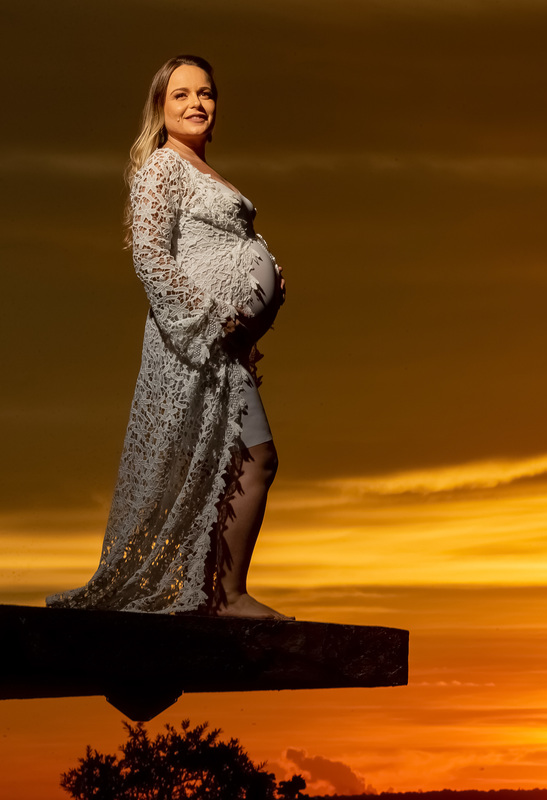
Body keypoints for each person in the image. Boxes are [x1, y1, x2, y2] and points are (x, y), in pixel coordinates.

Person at [45, 55, 292, 620]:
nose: (196, 104)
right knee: (250, 459)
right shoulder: (163, 167)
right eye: (181, 94)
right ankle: (225, 596)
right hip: (193, 344)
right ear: (160, 107)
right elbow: (151, 257)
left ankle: (221, 593)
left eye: (205, 93)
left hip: (223, 348)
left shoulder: (205, 170)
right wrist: (212, 319)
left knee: (244, 460)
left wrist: (265, 285)